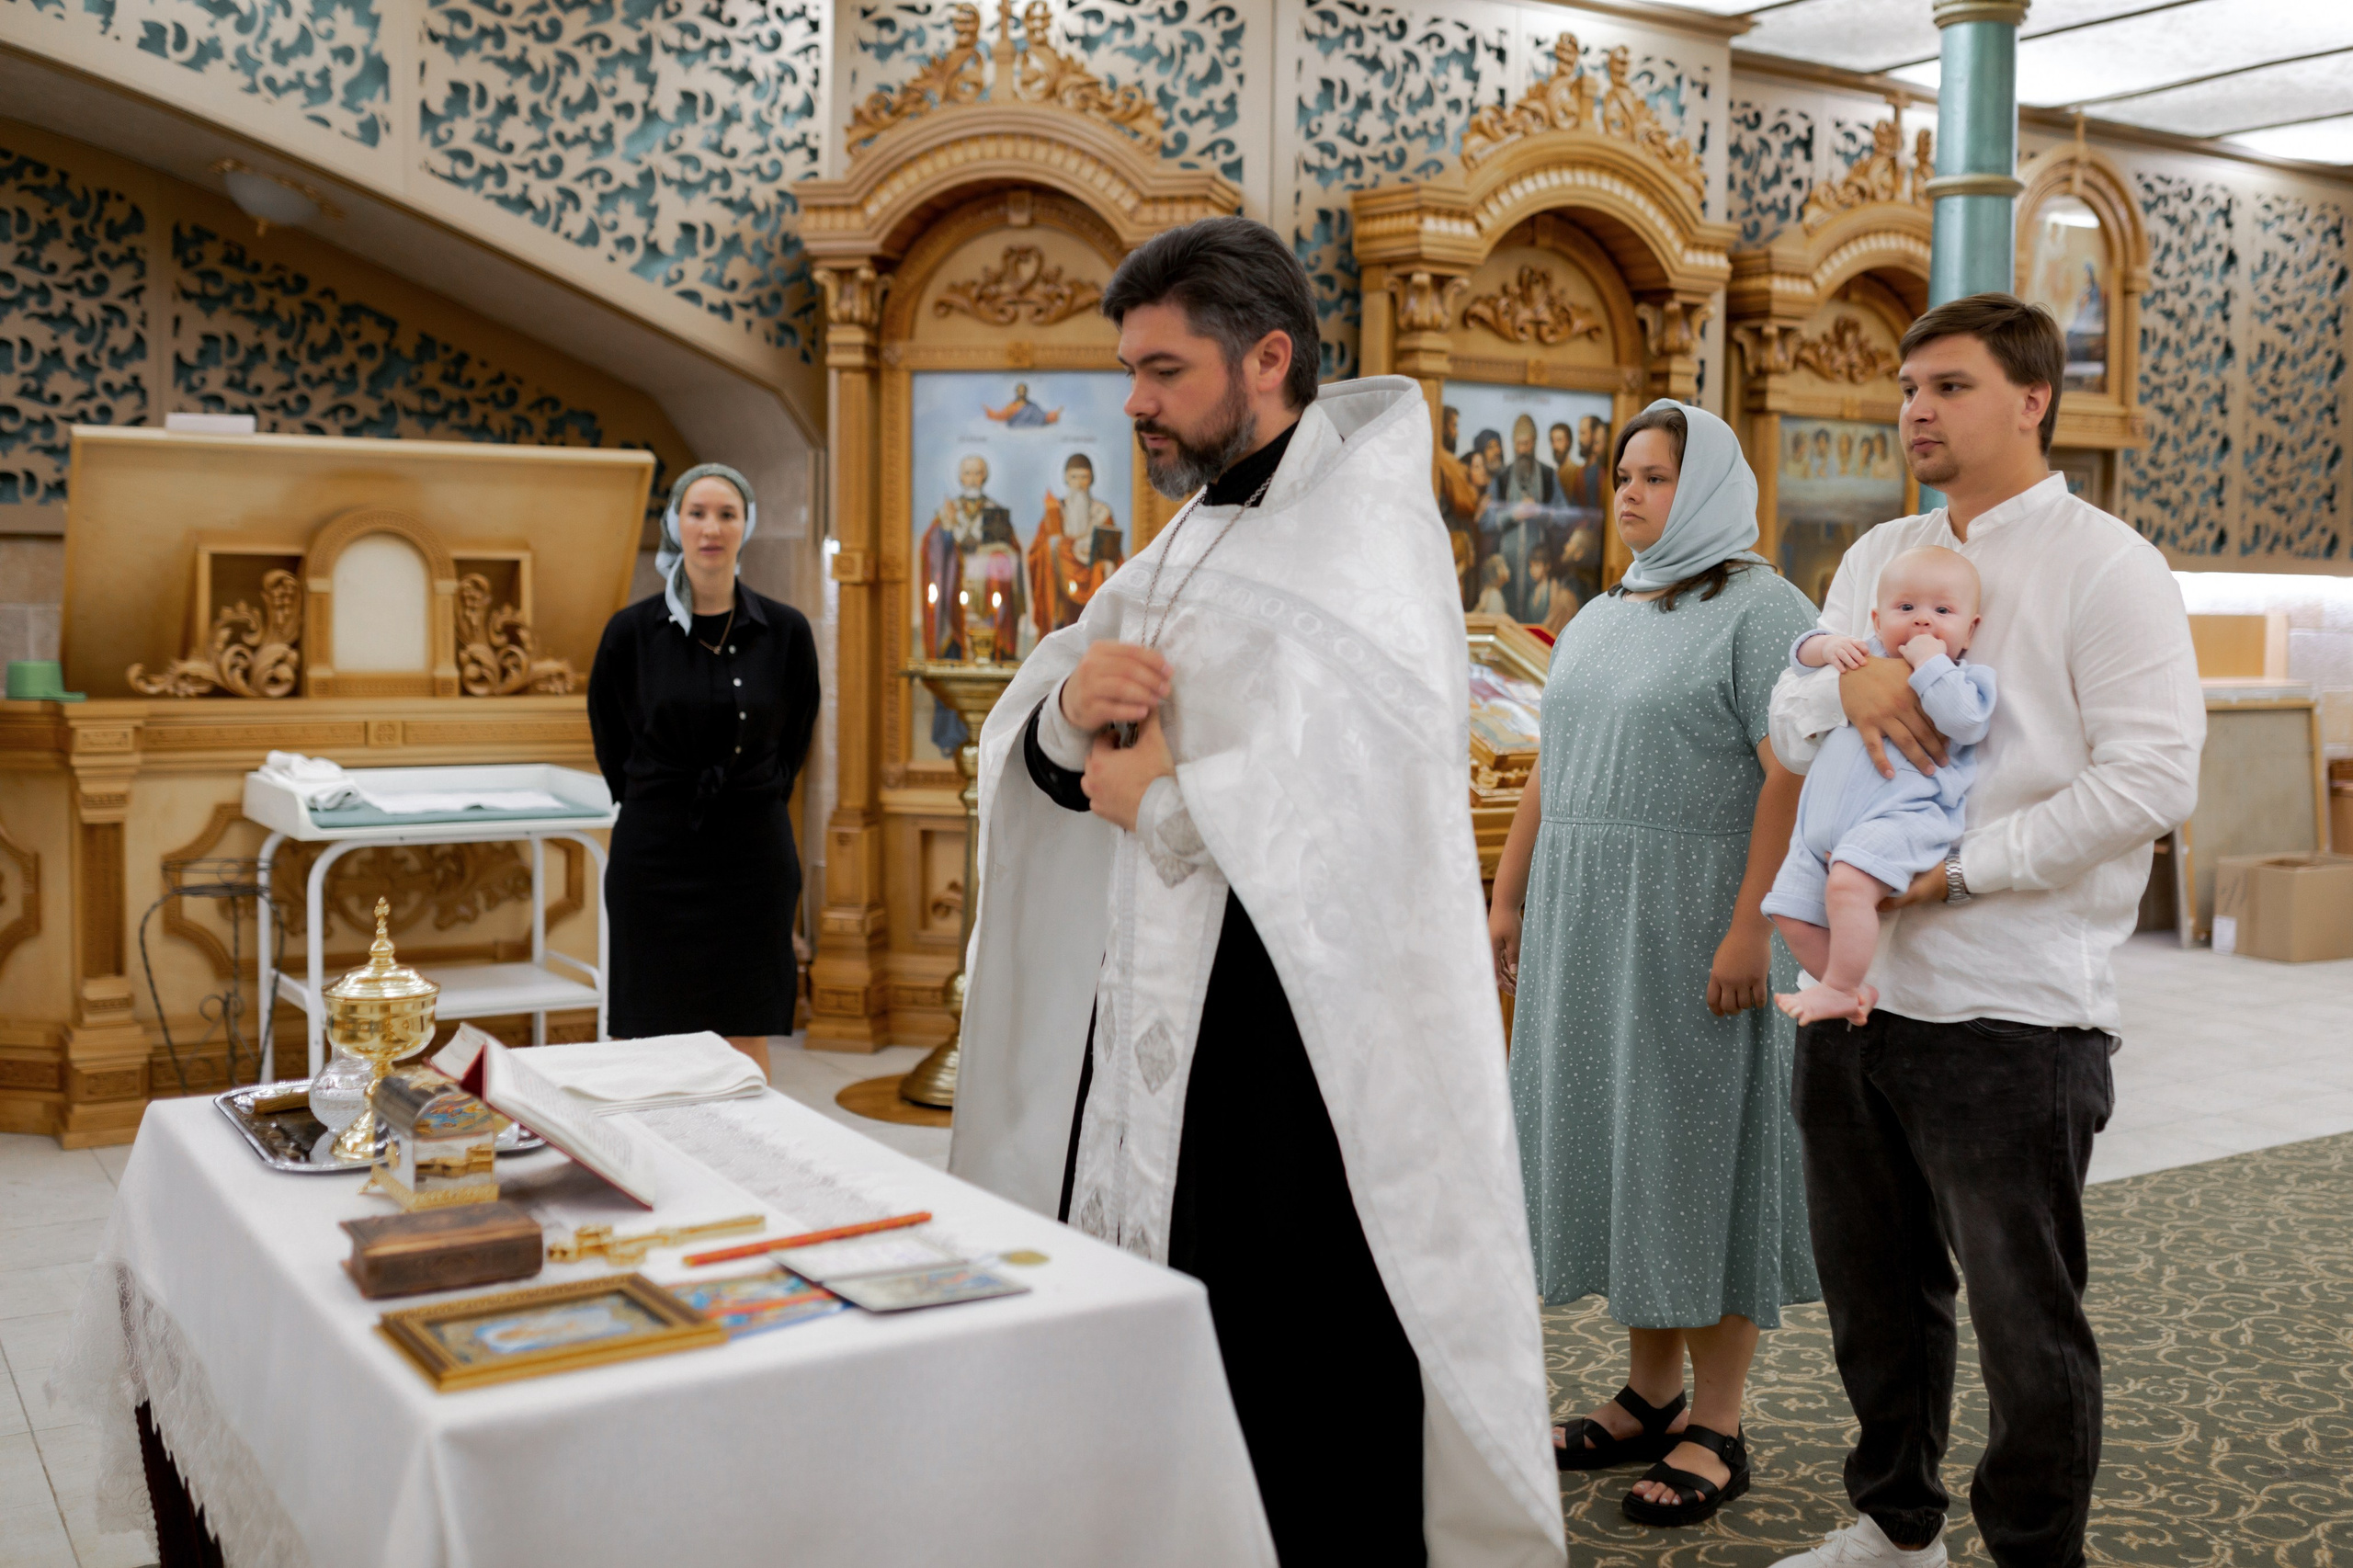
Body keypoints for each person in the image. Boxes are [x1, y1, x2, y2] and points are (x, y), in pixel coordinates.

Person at [951, 216, 1563, 1568]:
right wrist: (1068, 711)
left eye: (1163, 370)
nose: (1136, 401)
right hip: (1165, 1040)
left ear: (1265, 356)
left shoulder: (1365, 542)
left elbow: (1368, 826)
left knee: (1299, 1376)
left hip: (1297, 1067)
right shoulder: (1189, 540)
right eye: (1131, 368)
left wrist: (1164, 799)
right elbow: (1051, 730)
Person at [1765, 295, 2202, 1568]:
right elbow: (1793, 722)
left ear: (2032, 399)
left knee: (2026, 1319)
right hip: (1859, 998)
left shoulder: (2106, 565)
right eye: (1908, 387)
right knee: (1875, 1296)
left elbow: (2153, 777)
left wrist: (1960, 873)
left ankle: (2030, 1550)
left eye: (1949, 386)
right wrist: (1841, 683)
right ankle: (1896, 1527)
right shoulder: (1876, 553)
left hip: (2012, 1002)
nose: (1916, 410)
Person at [1489, 399, 1817, 1529]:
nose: (1628, 491)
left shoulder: (1764, 611)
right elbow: (1550, 759)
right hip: (1589, 924)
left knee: (1699, 1152)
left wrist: (1751, 927)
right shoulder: (1598, 612)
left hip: (1696, 927)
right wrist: (1506, 893)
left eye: (1657, 475)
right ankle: (1647, 1391)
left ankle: (1717, 1420)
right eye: (1622, 473)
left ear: (1712, 486)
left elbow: (1793, 776)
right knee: (1627, 1146)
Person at [588, 464, 820, 1077]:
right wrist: (654, 798)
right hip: (656, 852)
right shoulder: (631, 632)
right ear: (675, 525)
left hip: (752, 853)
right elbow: (610, 734)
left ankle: (745, 1167)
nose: (711, 528)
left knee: (746, 1028)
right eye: (697, 513)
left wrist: (754, 792)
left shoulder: (787, 632)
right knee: (651, 1032)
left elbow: (796, 736)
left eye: (726, 514)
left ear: (747, 526)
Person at [1764, 547, 1996, 1026]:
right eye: (1906, 608)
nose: (1922, 623)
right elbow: (1801, 658)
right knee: (1787, 911)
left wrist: (1932, 664)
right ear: (1877, 617)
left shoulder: (1962, 678)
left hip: (1904, 817)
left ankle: (1841, 987)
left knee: (1848, 885)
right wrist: (1828, 648)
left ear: (1971, 629)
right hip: (1820, 827)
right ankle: (1847, 986)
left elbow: (1967, 722)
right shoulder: (1863, 657)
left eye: (1943, 612)